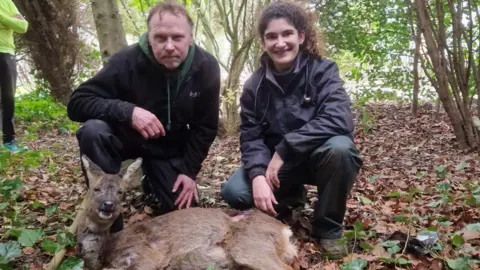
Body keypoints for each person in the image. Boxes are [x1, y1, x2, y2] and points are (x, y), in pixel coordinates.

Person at [220, 0, 363, 260]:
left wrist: (285, 148)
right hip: (276, 168)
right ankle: (289, 199)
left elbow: (339, 119)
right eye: (271, 36)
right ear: (263, 42)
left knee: (341, 149)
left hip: (318, 159)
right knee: (235, 192)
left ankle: (328, 229)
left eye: (287, 34)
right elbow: (251, 136)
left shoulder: (323, 71)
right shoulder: (254, 85)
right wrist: (256, 176)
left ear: (301, 36)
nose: (280, 43)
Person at [67, 1, 221, 231]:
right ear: (149, 37)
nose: (169, 46)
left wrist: (189, 171)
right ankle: (110, 221)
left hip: (168, 148)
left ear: (190, 37)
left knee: (185, 215)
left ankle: (152, 179)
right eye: (160, 38)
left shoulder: (206, 66)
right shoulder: (126, 60)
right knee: (93, 131)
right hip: (126, 140)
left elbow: (206, 127)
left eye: (177, 38)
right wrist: (129, 112)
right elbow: (77, 103)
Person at [0, 0, 28, 153]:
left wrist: (1, 17)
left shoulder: (6, 2)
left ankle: (9, 141)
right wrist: (9, 21)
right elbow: (15, 24)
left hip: (6, 53)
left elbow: (23, 26)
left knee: (8, 98)